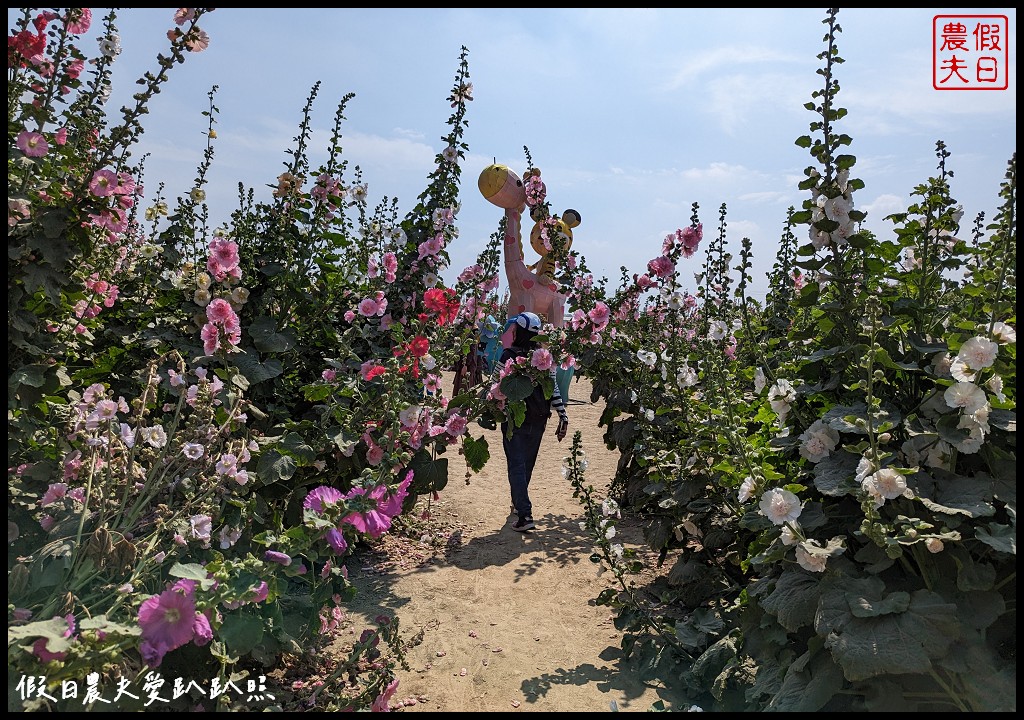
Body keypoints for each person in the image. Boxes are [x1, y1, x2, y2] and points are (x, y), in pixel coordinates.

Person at [497, 311, 568, 532]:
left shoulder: (508, 355)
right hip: (539, 417)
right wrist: (562, 414)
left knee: (516, 464)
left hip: (514, 416)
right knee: (526, 463)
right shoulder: (544, 358)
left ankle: (525, 513)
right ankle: (519, 505)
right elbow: (553, 387)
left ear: (518, 331)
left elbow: (497, 385)